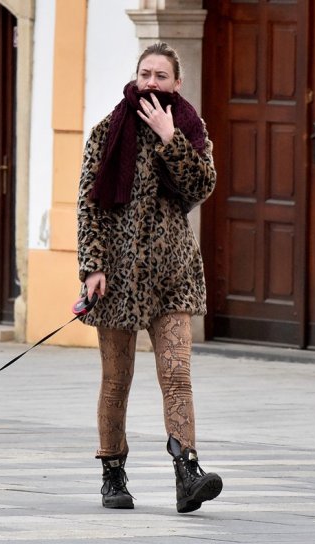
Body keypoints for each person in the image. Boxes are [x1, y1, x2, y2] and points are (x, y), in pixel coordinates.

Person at [76, 42, 223, 514]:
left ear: (177, 83)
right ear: (135, 77)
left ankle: (187, 473)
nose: (152, 83)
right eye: (146, 74)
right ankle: (112, 473)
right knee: (116, 379)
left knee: (176, 374)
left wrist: (169, 138)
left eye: (161, 76)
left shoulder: (192, 132)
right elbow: (89, 206)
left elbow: (201, 186)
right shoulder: (106, 132)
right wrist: (93, 267)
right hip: (116, 277)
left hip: (172, 274)